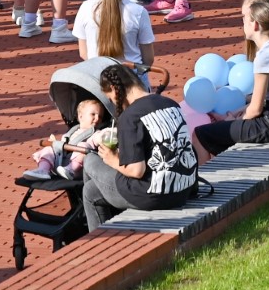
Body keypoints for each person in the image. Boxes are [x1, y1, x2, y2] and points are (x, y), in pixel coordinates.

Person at [192, 0, 269, 159]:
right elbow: (266, 100)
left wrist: (234, 122)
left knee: (200, 134)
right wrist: (232, 117)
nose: (242, 24)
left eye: (244, 19)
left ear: (255, 24)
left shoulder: (265, 55)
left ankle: (206, 176)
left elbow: (256, 109)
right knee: (219, 131)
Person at [83, 64, 199, 229]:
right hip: (183, 189)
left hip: (152, 194)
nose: (113, 103)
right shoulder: (171, 103)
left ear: (114, 89)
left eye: (110, 99)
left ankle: (97, 240)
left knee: (89, 159)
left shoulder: (130, 116)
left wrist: (112, 159)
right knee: (91, 191)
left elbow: (136, 171)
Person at [72, 0, 156, 77]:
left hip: (97, 76)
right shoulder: (138, 11)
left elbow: (84, 53)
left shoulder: (86, 7)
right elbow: (148, 59)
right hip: (131, 77)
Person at [24, 99, 104, 181]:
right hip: (60, 163)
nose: (97, 118)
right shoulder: (72, 131)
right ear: (81, 116)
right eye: (93, 114)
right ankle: (43, 170)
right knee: (49, 149)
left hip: (78, 170)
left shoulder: (96, 133)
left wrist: (105, 136)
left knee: (84, 146)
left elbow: (100, 137)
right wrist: (55, 144)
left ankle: (71, 169)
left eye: (100, 116)